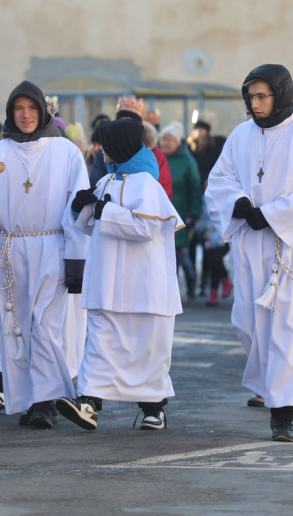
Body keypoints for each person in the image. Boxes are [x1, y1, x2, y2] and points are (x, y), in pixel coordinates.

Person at [204, 64, 293, 443]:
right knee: (246, 322)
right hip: (250, 242)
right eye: (251, 96)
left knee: (287, 328)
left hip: (291, 247)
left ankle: (283, 412)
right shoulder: (240, 135)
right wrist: (241, 202)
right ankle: (269, 387)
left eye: (263, 96)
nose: (256, 103)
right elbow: (220, 179)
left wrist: (274, 214)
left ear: (280, 95)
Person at [0, 81, 90, 428]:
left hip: (54, 248)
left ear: (43, 111)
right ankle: (33, 400)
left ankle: (48, 402)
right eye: (18, 109)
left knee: (45, 326)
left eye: (32, 108)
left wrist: (77, 257)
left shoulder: (66, 153)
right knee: (17, 329)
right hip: (12, 250)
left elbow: (78, 208)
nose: (26, 116)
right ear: (11, 112)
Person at [56, 120, 183, 432]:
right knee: (101, 342)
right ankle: (88, 403)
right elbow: (89, 225)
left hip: (144, 284)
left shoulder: (147, 185)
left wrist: (103, 211)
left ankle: (154, 409)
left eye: (105, 145)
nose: (100, 151)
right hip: (107, 281)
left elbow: (146, 227)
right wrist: (80, 208)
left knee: (146, 346)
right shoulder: (107, 181)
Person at [159, 122, 204, 302]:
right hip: (163, 213)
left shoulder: (187, 160)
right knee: (168, 254)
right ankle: (171, 291)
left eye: (169, 140)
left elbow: (195, 188)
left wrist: (194, 213)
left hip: (181, 214)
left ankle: (191, 282)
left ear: (177, 141)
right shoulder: (159, 158)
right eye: (163, 140)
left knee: (180, 254)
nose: (165, 143)